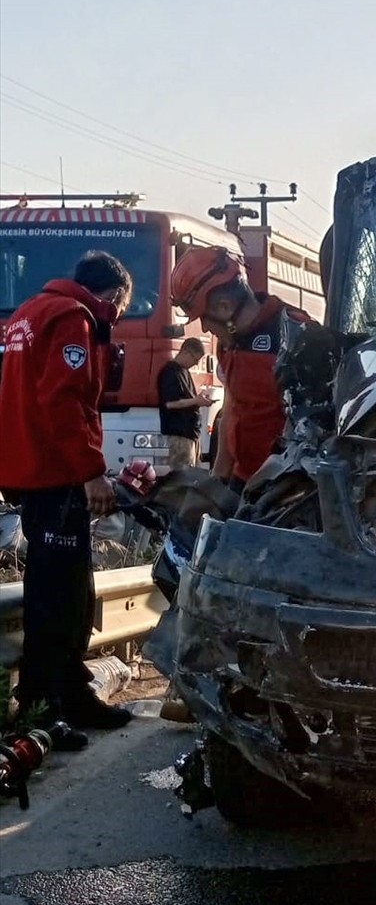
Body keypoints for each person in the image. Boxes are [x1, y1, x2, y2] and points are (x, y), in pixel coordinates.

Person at [0, 251, 134, 733]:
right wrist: (92, 472)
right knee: (65, 592)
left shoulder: (27, 314)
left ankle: (51, 694)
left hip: (31, 470)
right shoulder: (72, 318)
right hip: (56, 473)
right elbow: (63, 401)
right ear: (115, 295)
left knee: (51, 584)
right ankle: (59, 700)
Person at [170, 247, 315, 492]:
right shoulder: (229, 346)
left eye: (204, 317)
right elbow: (231, 408)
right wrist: (217, 479)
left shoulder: (296, 335)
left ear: (225, 307)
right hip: (242, 482)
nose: (204, 328)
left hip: (288, 489)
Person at [157, 337, 215, 469]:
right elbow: (170, 404)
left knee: (191, 475)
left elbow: (187, 399)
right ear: (187, 352)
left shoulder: (184, 372)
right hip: (179, 434)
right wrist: (196, 401)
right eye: (195, 359)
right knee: (182, 476)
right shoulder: (170, 372)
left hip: (190, 433)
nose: (195, 364)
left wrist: (199, 399)